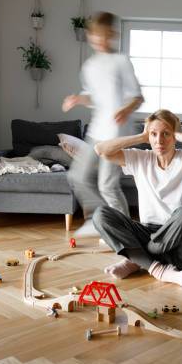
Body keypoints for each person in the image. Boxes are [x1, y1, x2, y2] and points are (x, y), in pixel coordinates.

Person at [92, 109, 182, 289]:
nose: (159, 140)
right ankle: (157, 269)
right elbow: (101, 150)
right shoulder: (139, 158)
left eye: (166, 134)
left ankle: (138, 259)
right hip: (150, 233)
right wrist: (141, 136)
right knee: (101, 214)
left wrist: (178, 133)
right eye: (154, 134)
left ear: (175, 136)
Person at [62, 12, 144, 236]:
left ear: (113, 35)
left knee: (107, 185)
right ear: (90, 35)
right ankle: (98, 219)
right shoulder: (89, 66)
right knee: (76, 176)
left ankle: (126, 232)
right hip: (97, 131)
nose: (100, 40)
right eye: (96, 35)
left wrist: (125, 110)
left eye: (105, 35)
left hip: (117, 133)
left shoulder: (121, 61)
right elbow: (92, 97)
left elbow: (138, 97)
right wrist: (78, 99)